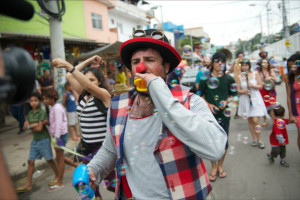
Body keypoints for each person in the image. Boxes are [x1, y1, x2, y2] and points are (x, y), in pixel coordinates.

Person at [87, 29, 226, 200]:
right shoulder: (118, 106)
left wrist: (160, 92)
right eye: (135, 61)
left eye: (150, 60)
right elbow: (110, 150)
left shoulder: (190, 102)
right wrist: (93, 170)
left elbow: (216, 149)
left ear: (166, 67)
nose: (141, 67)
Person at [52, 55, 111, 199]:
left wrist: (67, 64)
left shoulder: (104, 95)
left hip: (103, 147)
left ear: (99, 82)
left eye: (92, 79)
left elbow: (87, 84)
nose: (87, 82)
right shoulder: (84, 95)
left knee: (112, 183)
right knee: (88, 181)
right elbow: (69, 75)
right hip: (86, 146)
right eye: (85, 78)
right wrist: (89, 61)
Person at [198, 52, 237, 182]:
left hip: (224, 115)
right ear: (212, 63)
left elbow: (234, 95)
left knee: (224, 144)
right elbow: (199, 97)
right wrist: (208, 105)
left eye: (222, 61)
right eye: (217, 60)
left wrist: (227, 101)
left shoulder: (228, 79)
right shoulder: (205, 79)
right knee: (211, 142)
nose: (220, 63)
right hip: (209, 116)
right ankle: (214, 167)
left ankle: (220, 165)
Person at [16, 92, 58, 193]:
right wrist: (33, 125)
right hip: (35, 141)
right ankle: (28, 184)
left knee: (49, 159)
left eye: (35, 100)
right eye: (31, 101)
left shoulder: (42, 113)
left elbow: (39, 129)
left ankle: (58, 176)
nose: (33, 103)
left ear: (39, 101)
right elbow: (24, 127)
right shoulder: (30, 114)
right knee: (30, 161)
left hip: (43, 139)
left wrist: (31, 126)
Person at [236, 59, 268, 149]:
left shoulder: (255, 74)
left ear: (249, 66)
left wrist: (253, 86)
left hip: (255, 99)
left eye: (246, 65)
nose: (244, 67)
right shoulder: (239, 76)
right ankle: (254, 139)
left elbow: (260, 86)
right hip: (245, 99)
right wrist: (243, 91)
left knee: (255, 120)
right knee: (250, 120)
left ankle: (259, 140)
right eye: (243, 65)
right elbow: (238, 89)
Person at [43, 89, 68, 192]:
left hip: (60, 136)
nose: (44, 101)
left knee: (60, 159)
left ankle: (60, 182)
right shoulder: (53, 107)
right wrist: (48, 123)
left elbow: (58, 124)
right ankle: (59, 178)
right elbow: (55, 123)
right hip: (57, 136)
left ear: (52, 98)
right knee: (60, 157)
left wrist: (57, 138)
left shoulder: (57, 108)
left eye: (46, 98)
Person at [285, 53, 300, 151]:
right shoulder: (288, 78)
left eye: (293, 67)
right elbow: (289, 97)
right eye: (289, 67)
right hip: (297, 109)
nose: (291, 69)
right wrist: (290, 114)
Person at [258, 58, 278, 126]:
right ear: (261, 64)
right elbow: (258, 82)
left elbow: (276, 78)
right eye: (264, 63)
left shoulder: (271, 71)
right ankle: (265, 120)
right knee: (264, 106)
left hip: (271, 90)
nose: (266, 64)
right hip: (262, 91)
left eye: (267, 63)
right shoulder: (259, 73)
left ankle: (273, 120)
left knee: (272, 106)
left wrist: (271, 77)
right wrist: (263, 82)